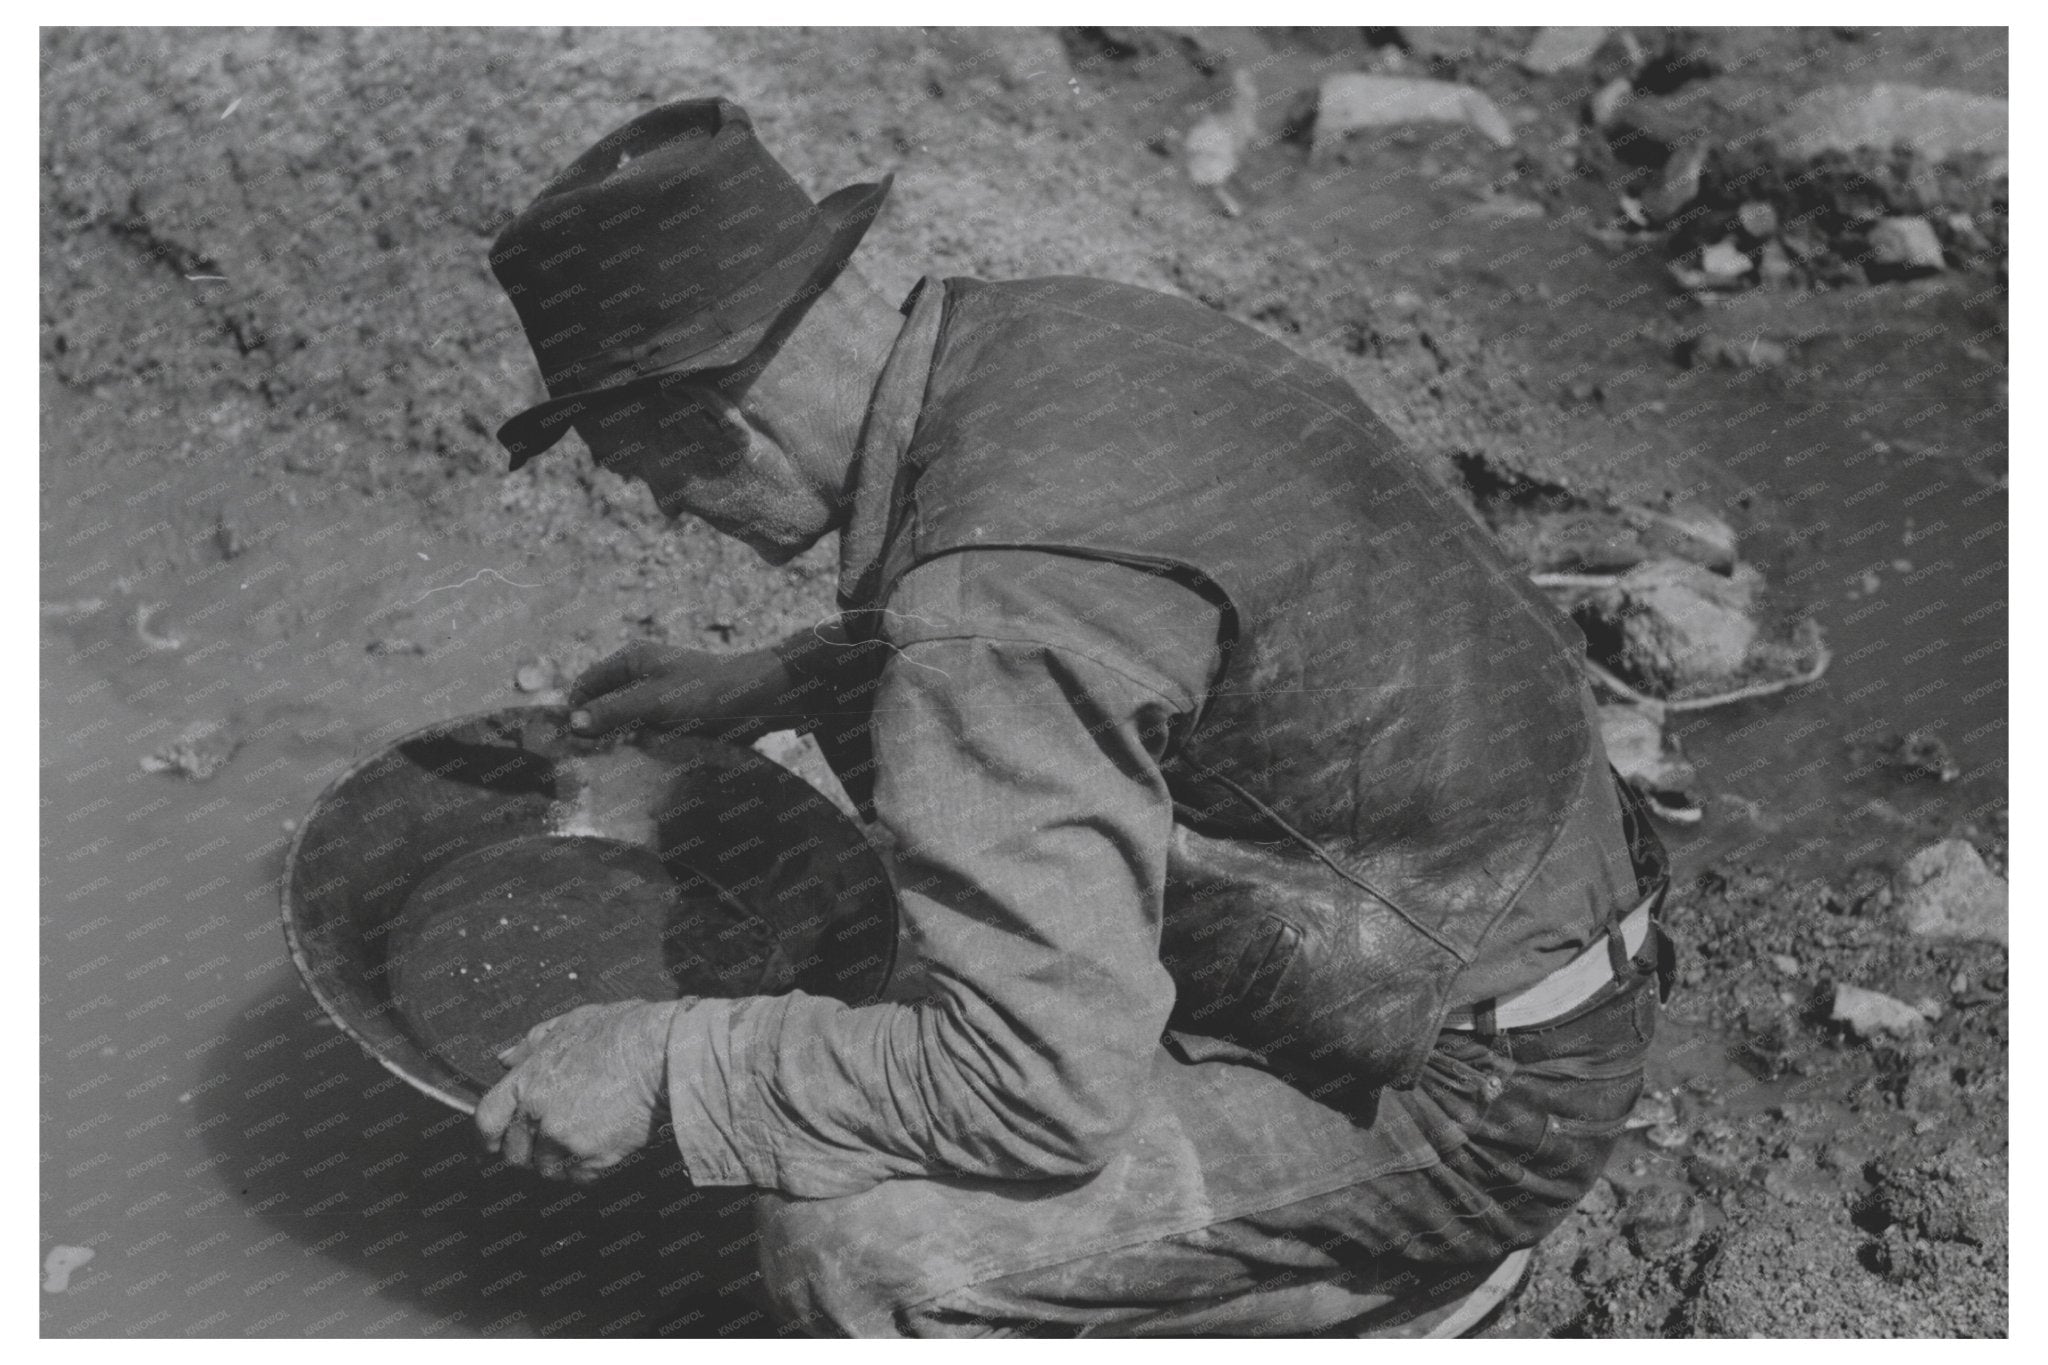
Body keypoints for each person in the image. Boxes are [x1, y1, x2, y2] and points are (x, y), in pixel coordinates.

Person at [471, 97, 1676, 1338]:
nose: (668, 508)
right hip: (1497, 919)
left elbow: (1035, 1088)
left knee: (856, 1243)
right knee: (897, 953)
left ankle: (1386, 1290)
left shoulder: (984, 610)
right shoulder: (1041, 334)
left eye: (645, 464)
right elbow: (1131, 631)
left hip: (1474, 1094)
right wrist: (776, 684)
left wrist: (670, 1060)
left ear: (714, 410)